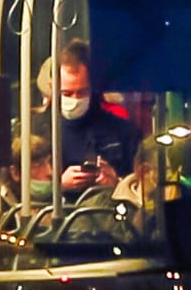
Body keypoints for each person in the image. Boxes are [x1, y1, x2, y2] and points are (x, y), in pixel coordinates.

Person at [32, 39, 138, 195]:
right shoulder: (33, 131)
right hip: (54, 215)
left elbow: (144, 186)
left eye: (82, 92)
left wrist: (118, 183)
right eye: (66, 93)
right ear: (51, 87)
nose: (75, 100)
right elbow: (20, 189)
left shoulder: (123, 132)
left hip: (108, 212)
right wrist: (56, 186)